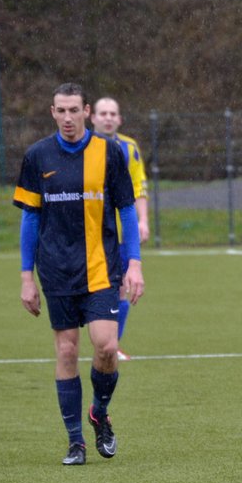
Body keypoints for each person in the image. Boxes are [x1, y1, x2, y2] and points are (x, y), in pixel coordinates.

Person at [14, 82, 145, 466]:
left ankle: (99, 412)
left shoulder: (109, 152)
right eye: (61, 110)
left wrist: (134, 263)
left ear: (86, 111)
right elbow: (29, 218)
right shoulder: (38, 156)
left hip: (102, 267)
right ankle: (75, 442)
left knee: (105, 346)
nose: (68, 118)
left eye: (74, 110)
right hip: (55, 269)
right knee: (67, 349)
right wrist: (26, 277)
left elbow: (126, 211)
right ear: (52, 112)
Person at [90, 96, 150, 360]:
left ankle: (113, 344)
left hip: (121, 232)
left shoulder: (129, 148)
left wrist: (143, 221)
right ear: (92, 117)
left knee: (121, 286)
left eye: (113, 113)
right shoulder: (81, 147)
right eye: (103, 113)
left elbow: (139, 187)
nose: (108, 118)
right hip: (89, 232)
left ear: (120, 119)